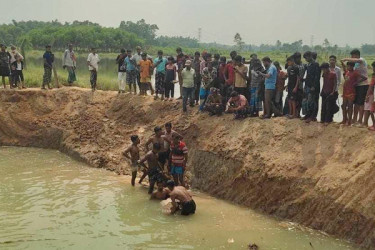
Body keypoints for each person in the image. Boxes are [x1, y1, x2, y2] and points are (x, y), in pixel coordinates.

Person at [341, 49, 369, 127]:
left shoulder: (361, 60)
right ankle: (354, 119)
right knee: (356, 103)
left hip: (362, 85)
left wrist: (346, 59)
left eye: (352, 56)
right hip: (356, 86)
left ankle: (360, 120)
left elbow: (363, 77)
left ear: (356, 55)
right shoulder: (355, 65)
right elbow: (347, 72)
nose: (352, 58)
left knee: (360, 103)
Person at [302, 51, 321, 123]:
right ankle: (308, 115)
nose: (306, 59)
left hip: (313, 86)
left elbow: (317, 77)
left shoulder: (315, 64)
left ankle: (313, 116)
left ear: (310, 56)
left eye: (306, 58)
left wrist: (314, 86)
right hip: (307, 85)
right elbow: (308, 76)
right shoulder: (309, 65)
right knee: (307, 101)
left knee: (312, 101)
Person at [294, 52, 305, 117]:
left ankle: (297, 113)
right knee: (294, 100)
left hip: (299, 86)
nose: (295, 60)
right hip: (295, 85)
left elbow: (299, 77)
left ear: (299, 58)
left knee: (299, 100)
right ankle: (295, 113)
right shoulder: (301, 65)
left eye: (296, 58)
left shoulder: (302, 66)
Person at [364, 62, 375, 129]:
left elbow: (371, 87)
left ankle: (374, 125)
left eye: (374, 67)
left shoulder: (374, 76)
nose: (373, 68)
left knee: (371, 111)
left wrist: (367, 96)